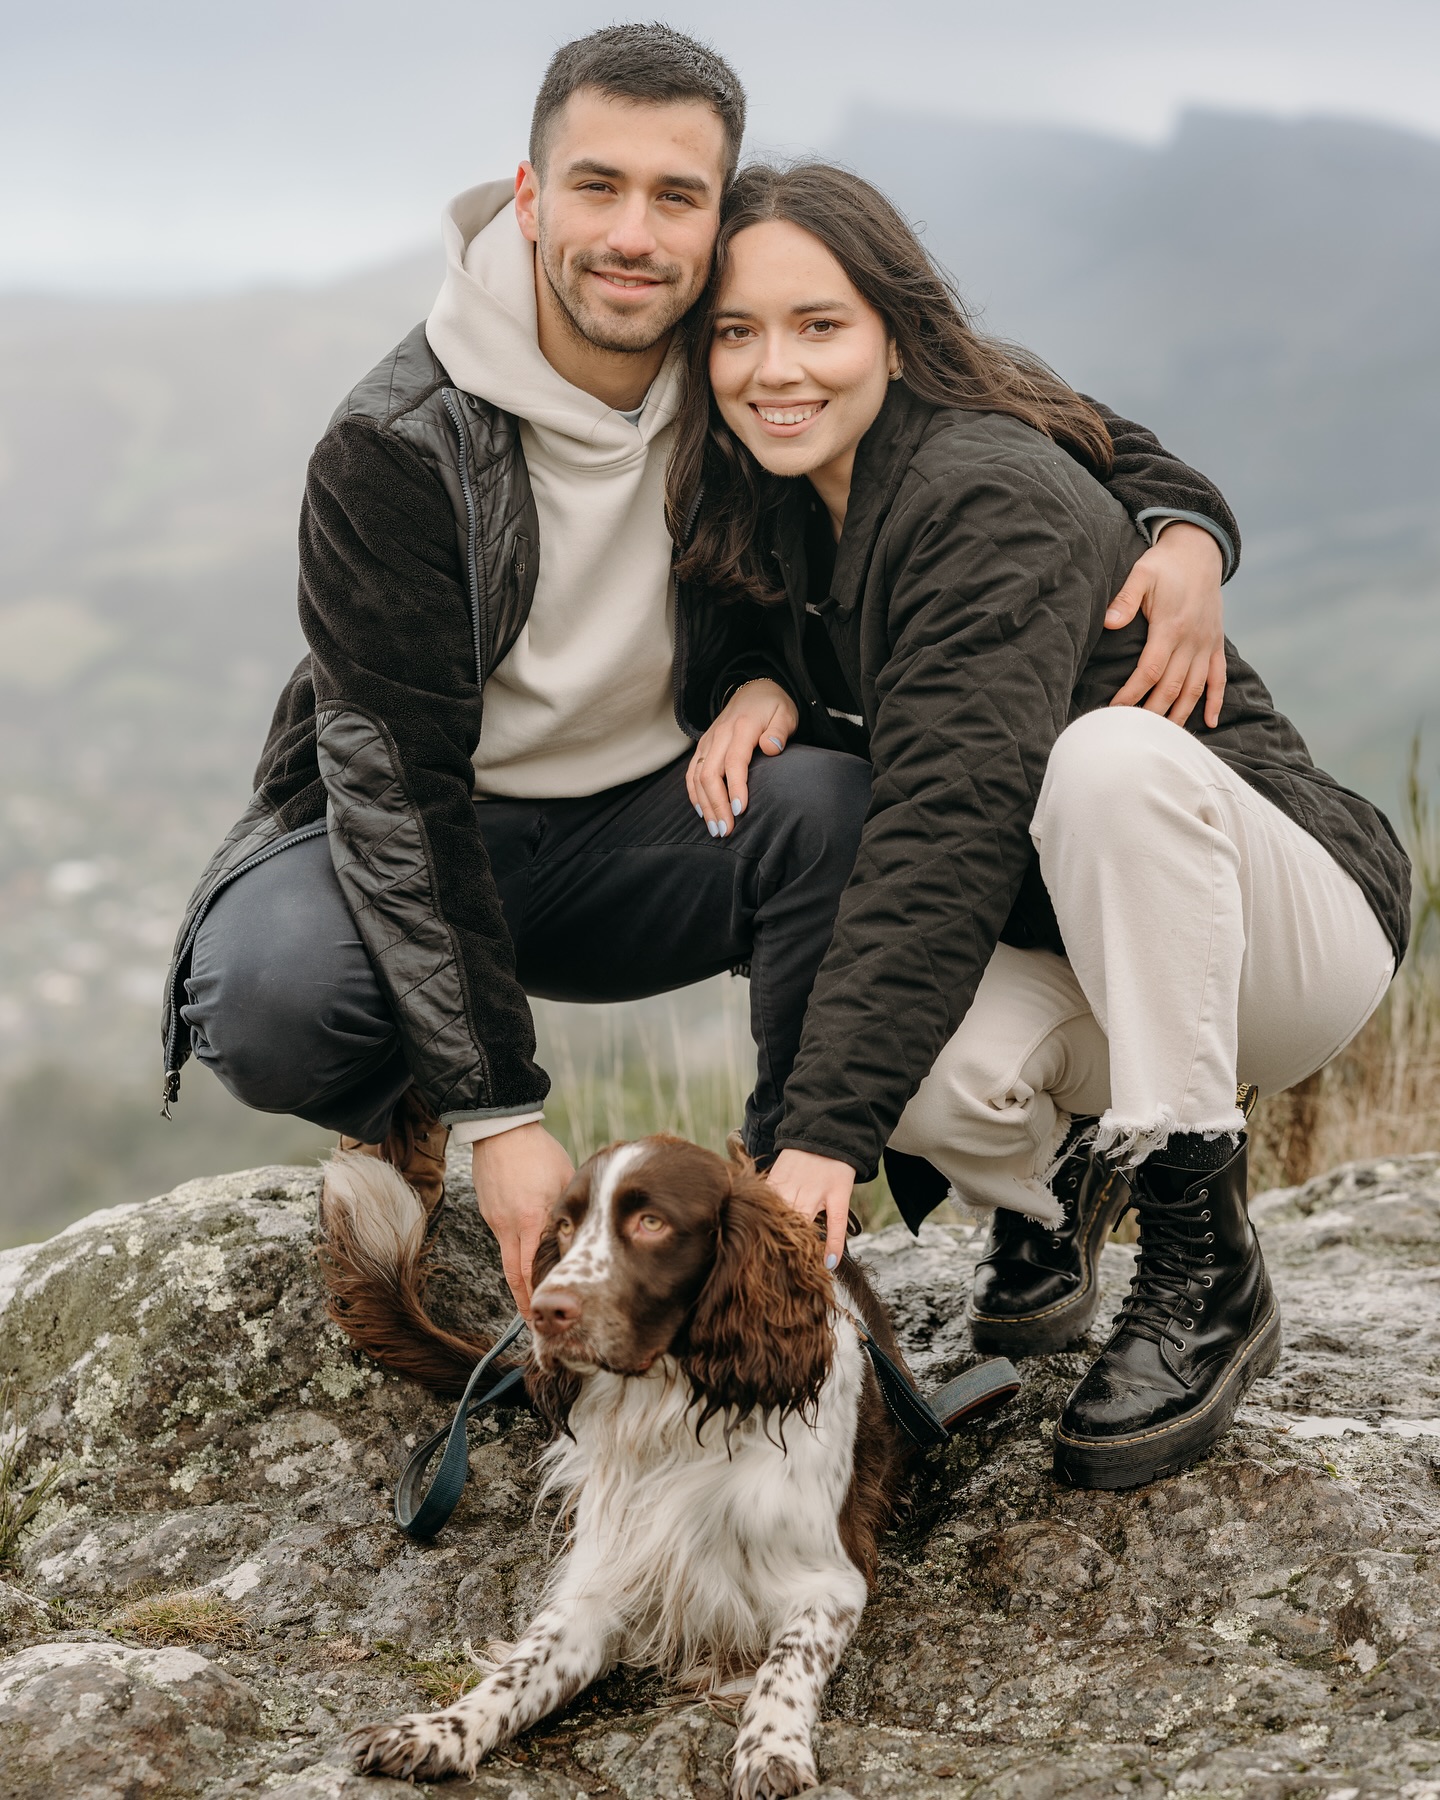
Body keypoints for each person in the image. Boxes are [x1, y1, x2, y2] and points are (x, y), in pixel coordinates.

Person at [164, 24, 1242, 1321]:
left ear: (714, 215)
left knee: (838, 806)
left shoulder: (738, 346)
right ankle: (410, 1109)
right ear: (528, 197)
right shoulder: (397, 443)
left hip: (654, 829)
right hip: (434, 831)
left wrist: (1185, 532)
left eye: (676, 195)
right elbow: (398, 791)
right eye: (598, 187)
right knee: (273, 997)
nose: (633, 233)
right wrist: (502, 1111)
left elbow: (1026, 416)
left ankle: (776, 1225)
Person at [674, 161, 1408, 1488]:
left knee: (1109, 765)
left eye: (818, 326)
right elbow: (754, 644)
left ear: (894, 331)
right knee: (913, 1052)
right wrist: (755, 679)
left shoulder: (978, 493)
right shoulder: (776, 503)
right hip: (1090, 952)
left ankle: (1203, 1262)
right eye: (736, 333)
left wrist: (820, 1139)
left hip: (1282, 927)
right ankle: (1059, 1181)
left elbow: (949, 822)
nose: (773, 367)